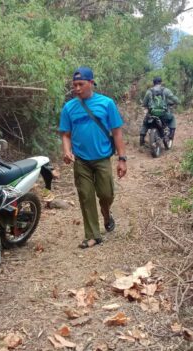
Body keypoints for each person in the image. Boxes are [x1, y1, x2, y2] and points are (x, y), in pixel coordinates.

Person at [59, 66, 127, 249]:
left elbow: (117, 132)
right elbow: (65, 134)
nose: (77, 88)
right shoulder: (69, 107)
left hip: (103, 158)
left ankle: (106, 212)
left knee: (106, 194)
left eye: (81, 84)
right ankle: (93, 235)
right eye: (74, 85)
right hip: (81, 160)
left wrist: (122, 159)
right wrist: (67, 150)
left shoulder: (107, 104)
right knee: (86, 196)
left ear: (91, 83)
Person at [140, 76, 179, 147]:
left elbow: (144, 103)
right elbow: (175, 99)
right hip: (163, 115)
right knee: (172, 118)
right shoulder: (166, 90)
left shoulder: (149, 91)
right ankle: (171, 135)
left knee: (145, 123)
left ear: (153, 83)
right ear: (161, 82)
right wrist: (177, 101)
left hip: (152, 114)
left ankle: (142, 138)